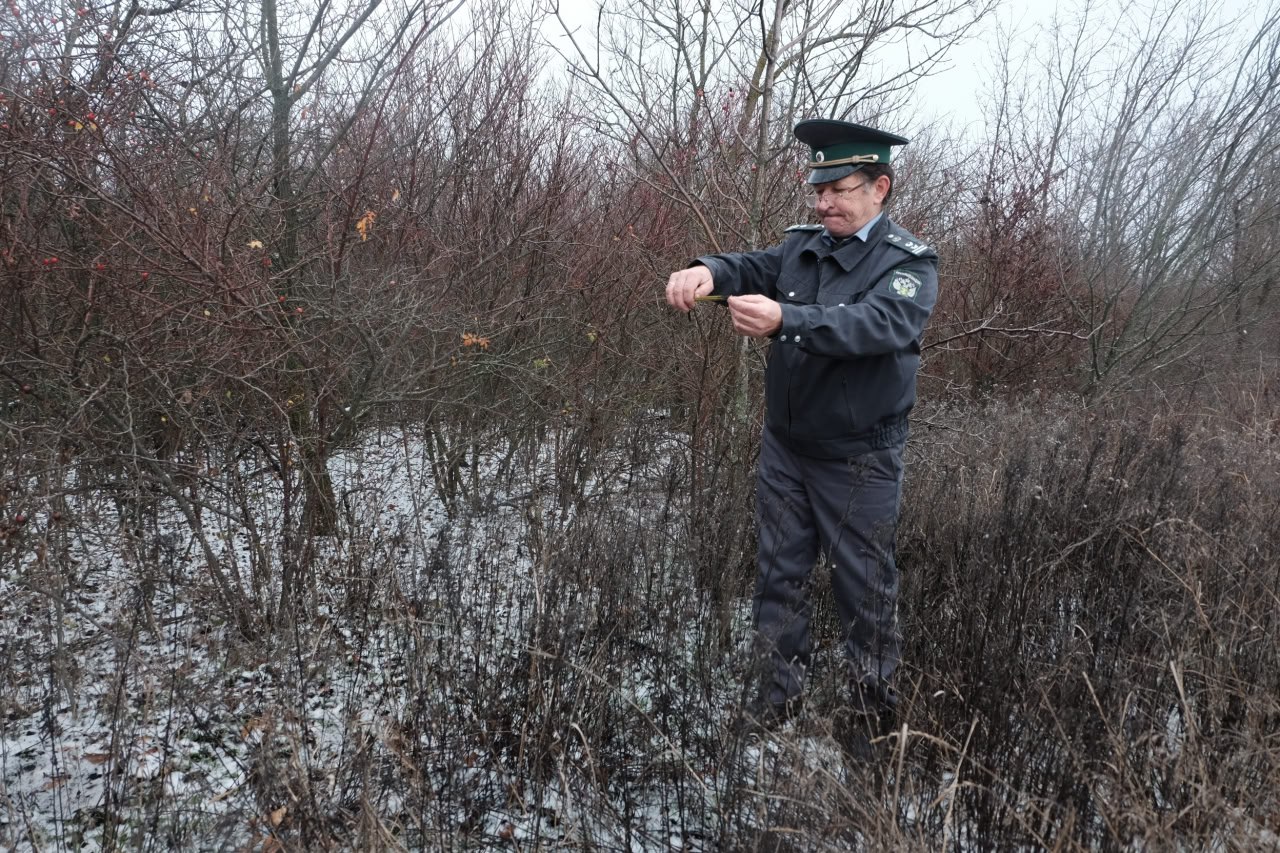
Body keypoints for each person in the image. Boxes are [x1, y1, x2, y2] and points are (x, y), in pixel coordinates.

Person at [664, 119, 939, 749]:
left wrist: (786, 318)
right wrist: (704, 271)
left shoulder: (908, 266)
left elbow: (876, 326)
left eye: (840, 190)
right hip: (787, 448)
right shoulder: (801, 247)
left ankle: (872, 720)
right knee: (778, 575)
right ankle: (776, 699)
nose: (824, 203)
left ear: (881, 189)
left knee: (863, 589)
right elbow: (749, 266)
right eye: (820, 190)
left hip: (859, 456)